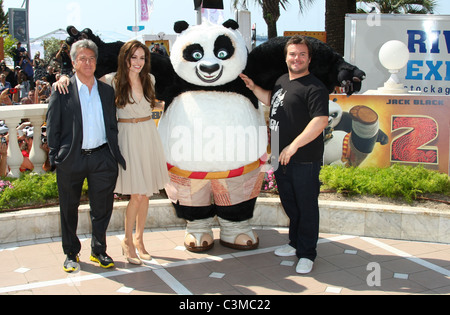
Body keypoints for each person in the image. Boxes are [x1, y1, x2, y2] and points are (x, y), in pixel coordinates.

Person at [56, 40, 169, 265]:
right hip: (127, 137)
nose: (138, 62)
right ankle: (127, 241)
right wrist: (62, 77)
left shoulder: (150, 80)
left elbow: (155, 103)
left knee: (145, 193)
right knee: (137, 194)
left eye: (142, 58)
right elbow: (83, 80)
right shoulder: (112, 80)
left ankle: (140, 240)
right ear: (125, 58)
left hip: (148, 135)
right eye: (133, 57)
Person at [240, 35, 329, 274]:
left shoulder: (315, 87)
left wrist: (294, 146)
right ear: (286, 57)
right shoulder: (282, 81)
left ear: (309, 58)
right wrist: (253, 87)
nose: (296, 58)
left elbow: (320, 120)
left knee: (306, 205)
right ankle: (294, 243)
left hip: (304, 158)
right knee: (290, 203)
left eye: (301, 54)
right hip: (280, 157)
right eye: (292, 54)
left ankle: (307, 253)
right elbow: (272, 101)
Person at [46, 39, 126, 273]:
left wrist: (113, 156)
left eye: (91, 58)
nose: (88, 62)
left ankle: (98, 249)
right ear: (73, 62)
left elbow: (112, 124)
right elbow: (53, 126)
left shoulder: (106, 90)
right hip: (72, 159)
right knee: (68, 208)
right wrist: (56, 156)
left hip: (102, 158)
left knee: (102, 208)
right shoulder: (62, 90)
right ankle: (71, 253)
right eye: (82, 58)